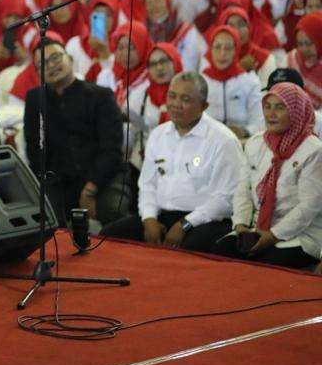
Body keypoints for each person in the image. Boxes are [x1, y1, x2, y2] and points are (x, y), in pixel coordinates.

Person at [102, 72, 242, 253]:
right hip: (161, 216)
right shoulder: (158, 135)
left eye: (185, 99)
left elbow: (226, 199)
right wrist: (149, 219)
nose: (176, 104)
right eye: (172, 96)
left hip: (205, 221)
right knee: (108, 236)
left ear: (204, 106)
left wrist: (185, 224)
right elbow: (147, 185)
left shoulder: (223, 140)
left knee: (190, 250)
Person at [214, 82, 322, 268]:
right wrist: (240, 225)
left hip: (299, 233)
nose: (270, 114)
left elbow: (309, 206)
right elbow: (243, 190)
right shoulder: (256, 143)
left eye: (280, 108)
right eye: (267, 107)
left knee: (265, 264)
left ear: (296, 112)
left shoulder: (313, 150)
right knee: (221, 251)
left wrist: (273, 235)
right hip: (256, 226)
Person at [23, 38, 125, 226]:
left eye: (55, 58)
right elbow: (34, 149)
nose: (51, 66)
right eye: (42, 64)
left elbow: (111, 149)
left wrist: (91, 189)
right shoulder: (35, 99)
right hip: (58, 181)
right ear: (38, 72)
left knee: (112, 209)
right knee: (45, 218)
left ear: (70, 59)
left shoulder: (100, 96)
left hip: (100, 176)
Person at [202, 25, 266, 139]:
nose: (222, 53)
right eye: (217, 47)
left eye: (228, 48)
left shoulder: (249, 80)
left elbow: (260, 123)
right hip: (207, 142)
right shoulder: (201, 81)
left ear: (236, 50)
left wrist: (244, 131)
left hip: (242, 143)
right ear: (210, 49)